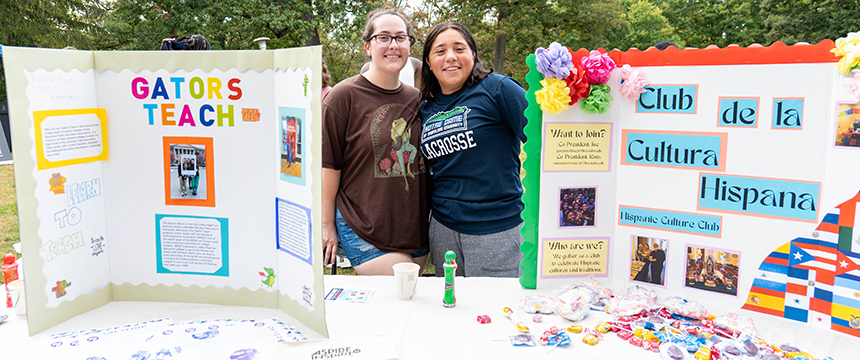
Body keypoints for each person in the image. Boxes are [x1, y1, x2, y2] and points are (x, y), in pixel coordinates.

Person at [321, 7, 429, 275]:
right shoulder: (342, 96)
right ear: (368, 46)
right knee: (406, 288)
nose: (393, 45)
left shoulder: (417, 99)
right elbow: (328, 165)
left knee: (405, 308)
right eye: (384, 37)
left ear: (409, 45)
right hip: (364, 224)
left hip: (414, 227)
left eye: (400, 37)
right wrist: (326, 224)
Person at [419, 22, 528, 277]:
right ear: (428, 62)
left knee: (496, 311)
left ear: (473, 55)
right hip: (443, 228)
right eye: (440, 51)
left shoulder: (498, 89)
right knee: (452, 308)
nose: (451, 57)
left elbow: (543, 142)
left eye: (459, 48)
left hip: (497, 229)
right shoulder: (425, 108)